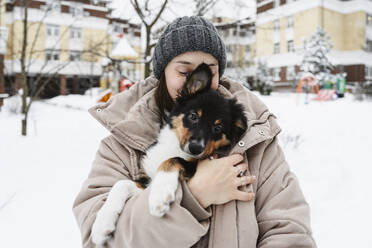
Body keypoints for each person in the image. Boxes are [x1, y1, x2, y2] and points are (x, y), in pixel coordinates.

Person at [73, 16, 316, 248]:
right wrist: (193, 196)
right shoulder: (121, 143)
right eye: (184, 72)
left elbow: (288, 230)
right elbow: (100, 242)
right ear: (162, 73)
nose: (199, 81)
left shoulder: (255, 140)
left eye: (210, 69)